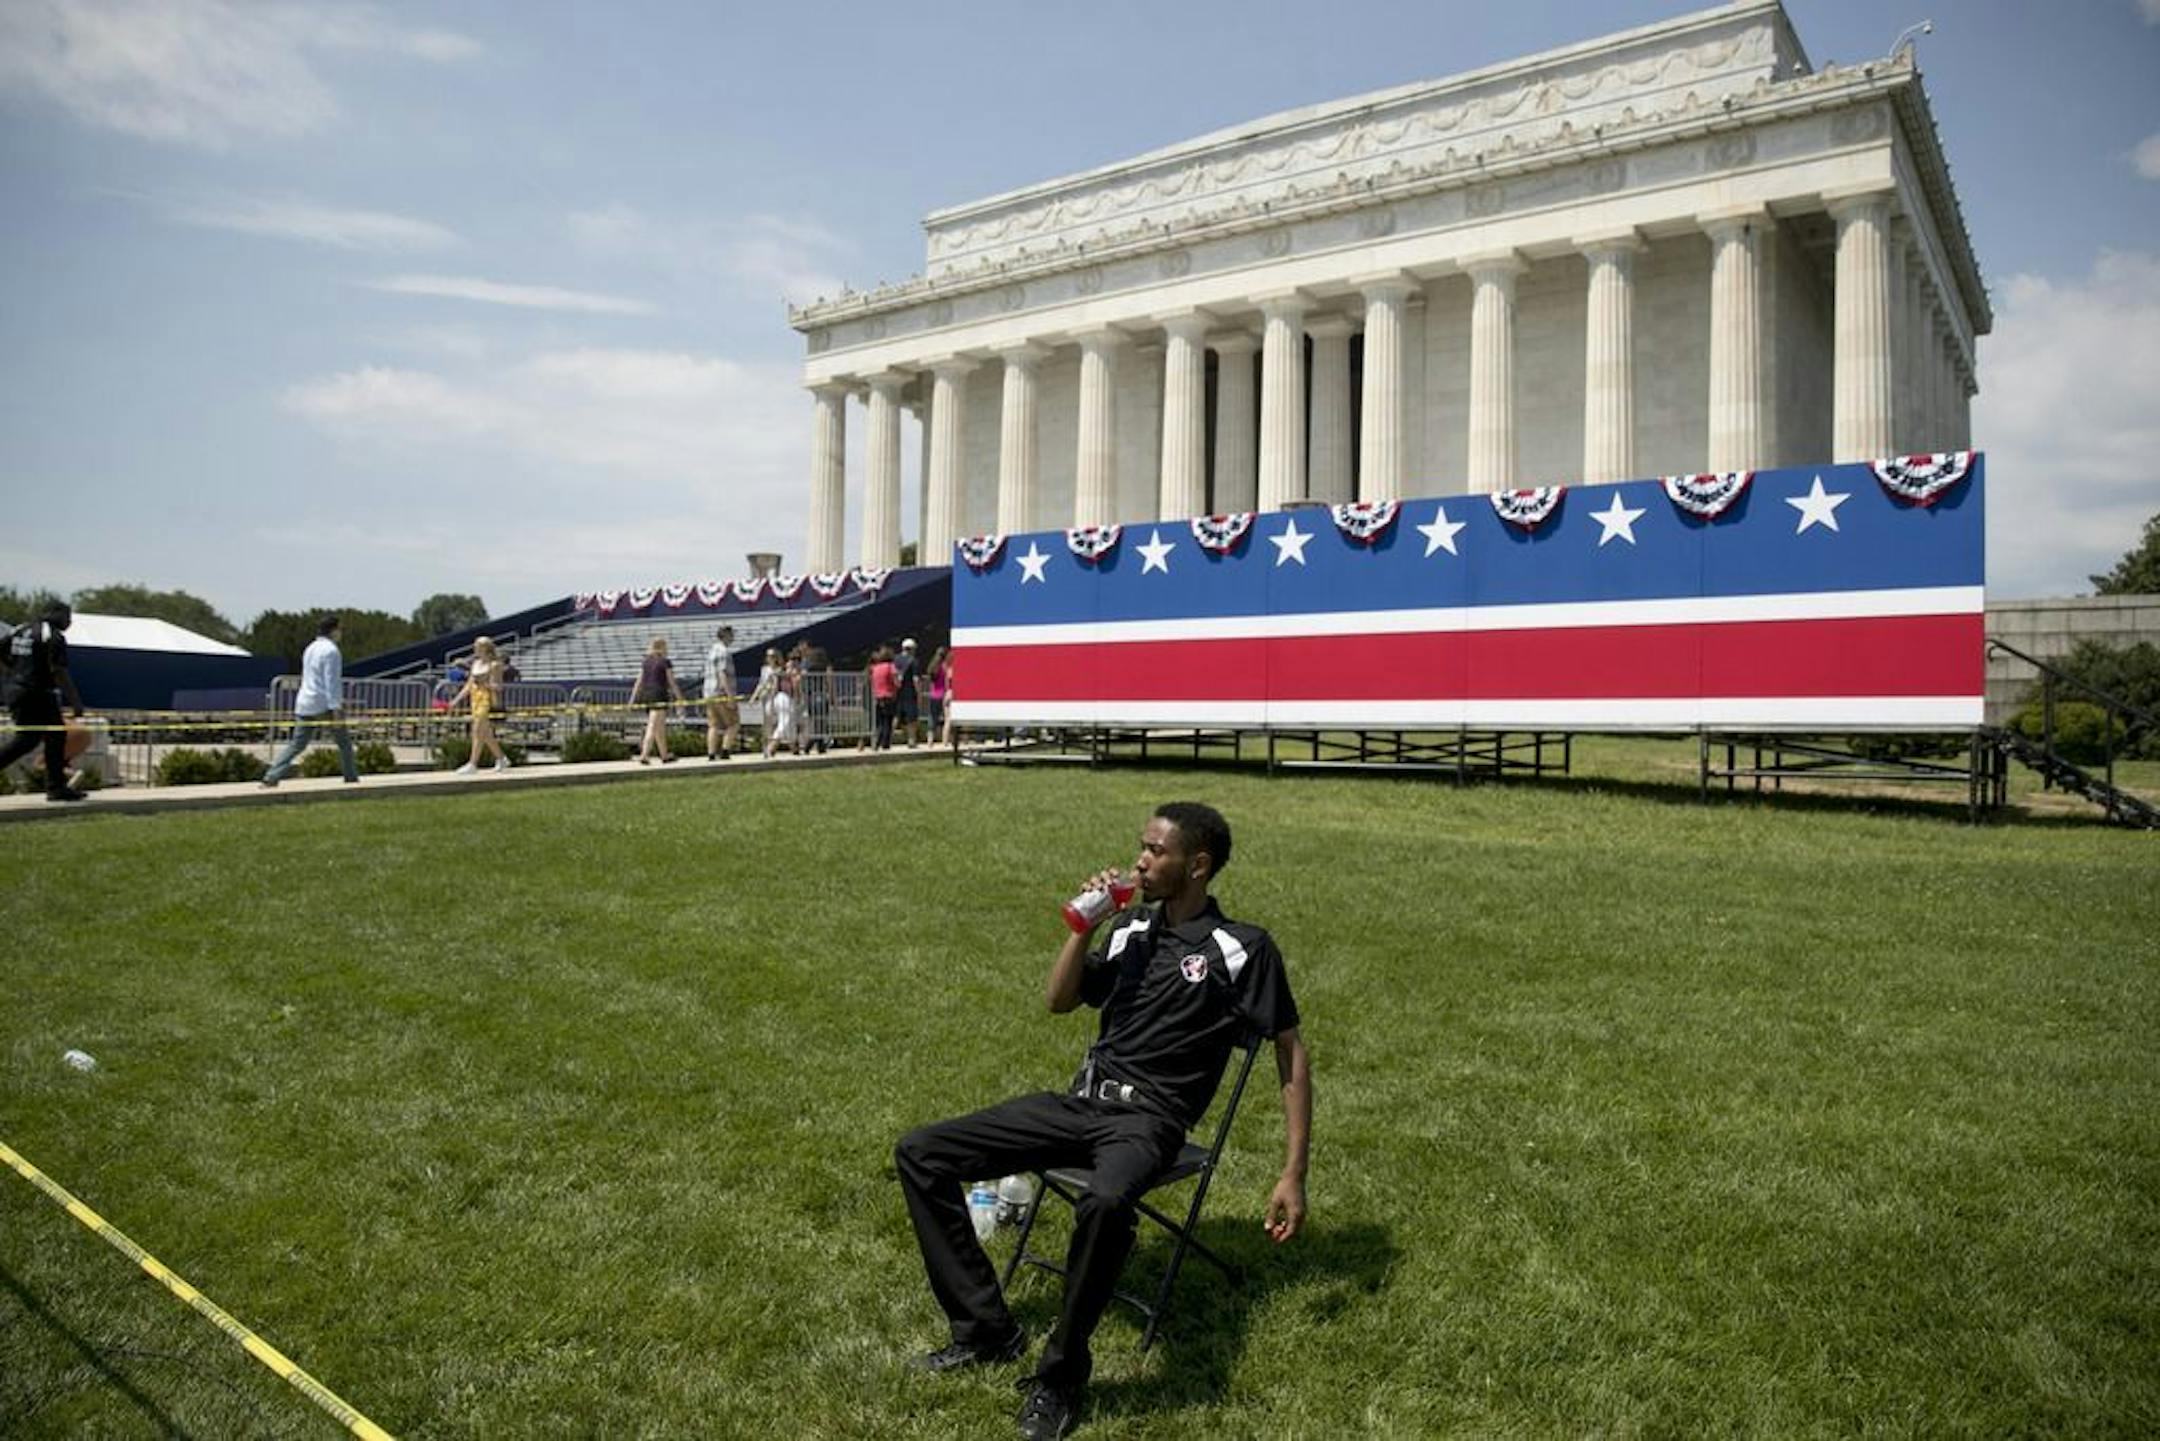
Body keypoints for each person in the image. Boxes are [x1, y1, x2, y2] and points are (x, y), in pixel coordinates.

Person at [895, 802, 1311, 1440]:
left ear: (1197, 865)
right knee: (922, 1152)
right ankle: (986, 1330)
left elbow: (1290, 1052)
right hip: (1081, 1103)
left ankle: (1060, 1377)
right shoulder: (1128, 932)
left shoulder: (1242, 949)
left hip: (1149, 1121)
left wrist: (1292, 1172)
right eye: (1141, 847)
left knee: (1106, 1200)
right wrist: (1083, 926)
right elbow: (1058, 1002)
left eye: (1156, 851)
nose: (1141, 860)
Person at [0, 601, 90, 803]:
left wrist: (14, 674)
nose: (70, 622)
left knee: (37, 738)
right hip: (38, 692)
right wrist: (76, 701)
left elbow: (2, 652)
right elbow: (59, 671)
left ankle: (56, 787)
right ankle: (56, 788)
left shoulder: (19, 630)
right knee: (46, 736)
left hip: (15, 691)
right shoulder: (52, 635)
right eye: (67, 616)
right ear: (55, 614)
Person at [262, 614, 358, 787]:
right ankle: (351, 778)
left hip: (305, 702)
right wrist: (336, 707)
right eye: (340, 629)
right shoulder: (331, 651)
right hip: (324, 703)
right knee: (344, 743)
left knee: (297, 744)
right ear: (334, 630)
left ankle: (272, 776)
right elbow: (332, 680)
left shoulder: (310, 648)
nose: (341, 633)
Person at [446, 635, 511, 774]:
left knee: (477, 730)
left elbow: (499, 686)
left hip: (487, 699)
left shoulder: (494, 665)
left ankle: (473, 763)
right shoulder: (475, 663)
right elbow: (468, 685)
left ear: (485, 648)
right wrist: (456, 700)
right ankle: (501, 758)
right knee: (485, 733)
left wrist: (485, 683)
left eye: (477, 646)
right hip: (475, 699)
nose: (475, 648)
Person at [633, 637, 685, 765]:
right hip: (659, 694)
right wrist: (680, 698)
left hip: (648, 695)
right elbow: (672, 682)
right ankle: (644, 755)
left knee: (659, 727)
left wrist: (633, 698)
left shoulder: (645, 662)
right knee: (653, 725)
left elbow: (638, 682)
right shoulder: (665, 662)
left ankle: (664, 755)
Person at [703, 624, 739, 761]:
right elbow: (722, 673)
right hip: (720, 693)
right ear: (725, 635)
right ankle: (725, 751)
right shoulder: (724, 652)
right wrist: (730, 696)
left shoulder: (712, 651)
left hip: (709, 692)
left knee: (713, 724)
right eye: (731, 635)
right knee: (733, 723)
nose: (733, 637)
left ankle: (711, 753)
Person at [894, 637, 922, 747]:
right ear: (912, 649)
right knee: (912, 719)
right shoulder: (913, 661)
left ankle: (886, 739)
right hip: (910, 693)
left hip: (897, 692)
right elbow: (916, 679)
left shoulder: (896, 660)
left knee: (896, 716)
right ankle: (911, 740)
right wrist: (919, 693)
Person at [870, 645, 898, 750]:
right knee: (888, 721)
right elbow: (896, 682)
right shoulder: (890, 666)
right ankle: (885, 744)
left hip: (878, 697)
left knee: (880, 721)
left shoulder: (875, 668)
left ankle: (876, 743)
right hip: (889, 696)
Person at [926, 645, 952, 748]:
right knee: (947, 719)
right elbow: (947, 681)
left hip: (933, 695)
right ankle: (945, 741)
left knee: (932, 718)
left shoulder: (932, 666)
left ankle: (930, 741)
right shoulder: (944, 667)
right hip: (943, 694)